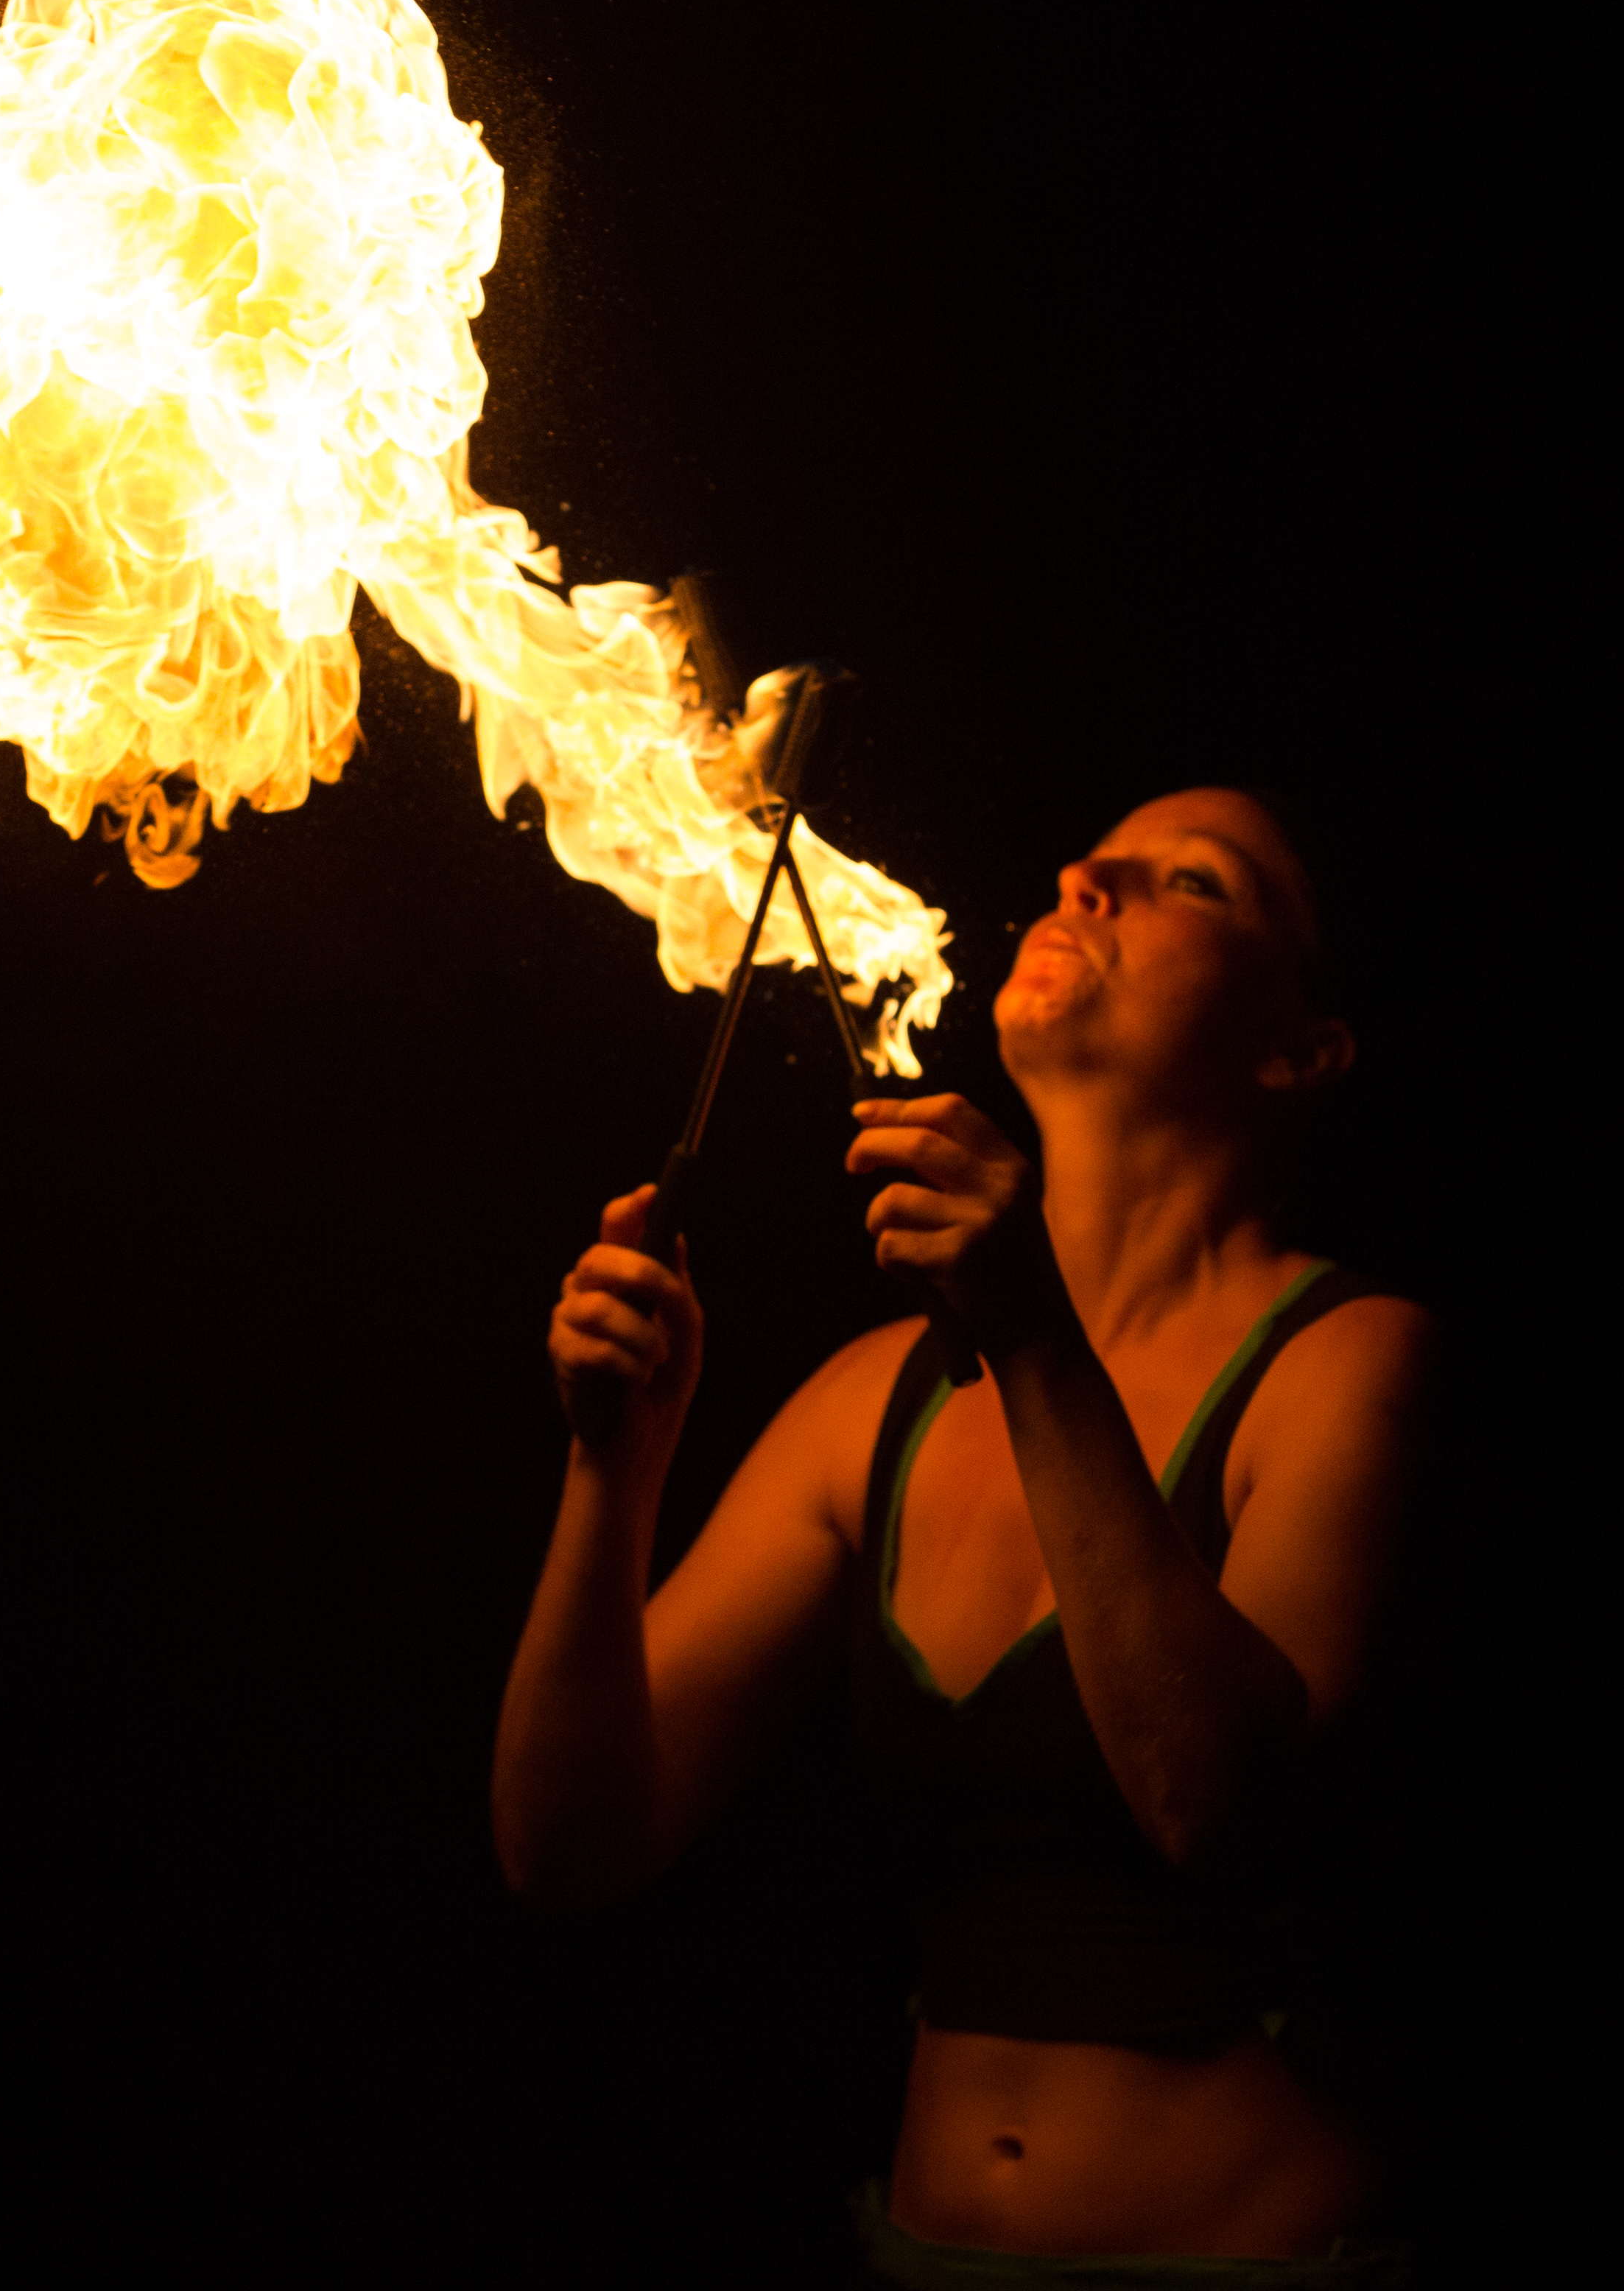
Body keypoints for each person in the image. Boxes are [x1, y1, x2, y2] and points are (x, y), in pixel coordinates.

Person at [493, 787, 1429, 2281]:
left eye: (1196, 880)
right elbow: (569, 1845)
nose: (1084, 873)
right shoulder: (874, 1399)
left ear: (1299, 1049)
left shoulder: (1352, 1361)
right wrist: (616, 1465)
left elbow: (1211, 1806)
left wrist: (1035, 1343)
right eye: (1095, 855)